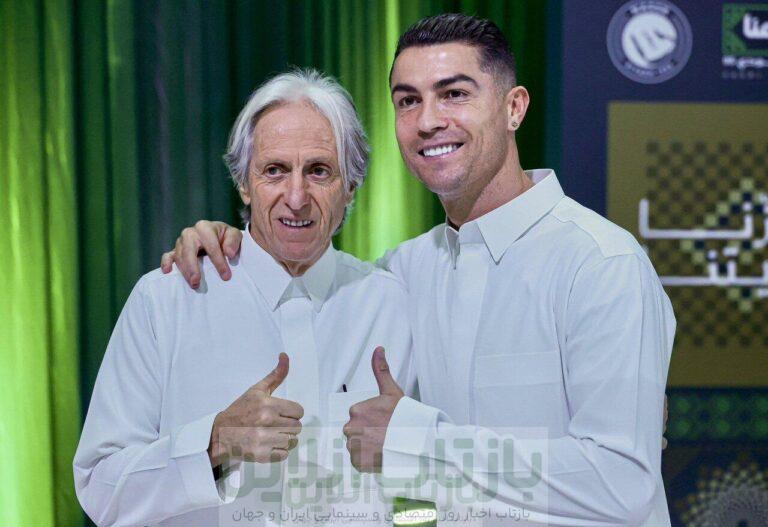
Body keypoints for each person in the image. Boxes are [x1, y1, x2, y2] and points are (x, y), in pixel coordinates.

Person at [161, 14, 675, 526]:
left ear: (514, 108)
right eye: (408, 100)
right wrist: (233, 240)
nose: (428, 120)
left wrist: (418, 443)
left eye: (454, 94)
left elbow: (622, 484)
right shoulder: (402, 272)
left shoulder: (600, 264)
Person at [73, 70, 415, 527]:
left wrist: (414, 454)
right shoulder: (167, 300)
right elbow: (99, 487)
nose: (297, 197)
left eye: (319, 171)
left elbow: (441, 487)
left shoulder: (392, 303)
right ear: (244, 184)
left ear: (351, 186)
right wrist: (215, 441)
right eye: (275, 171)